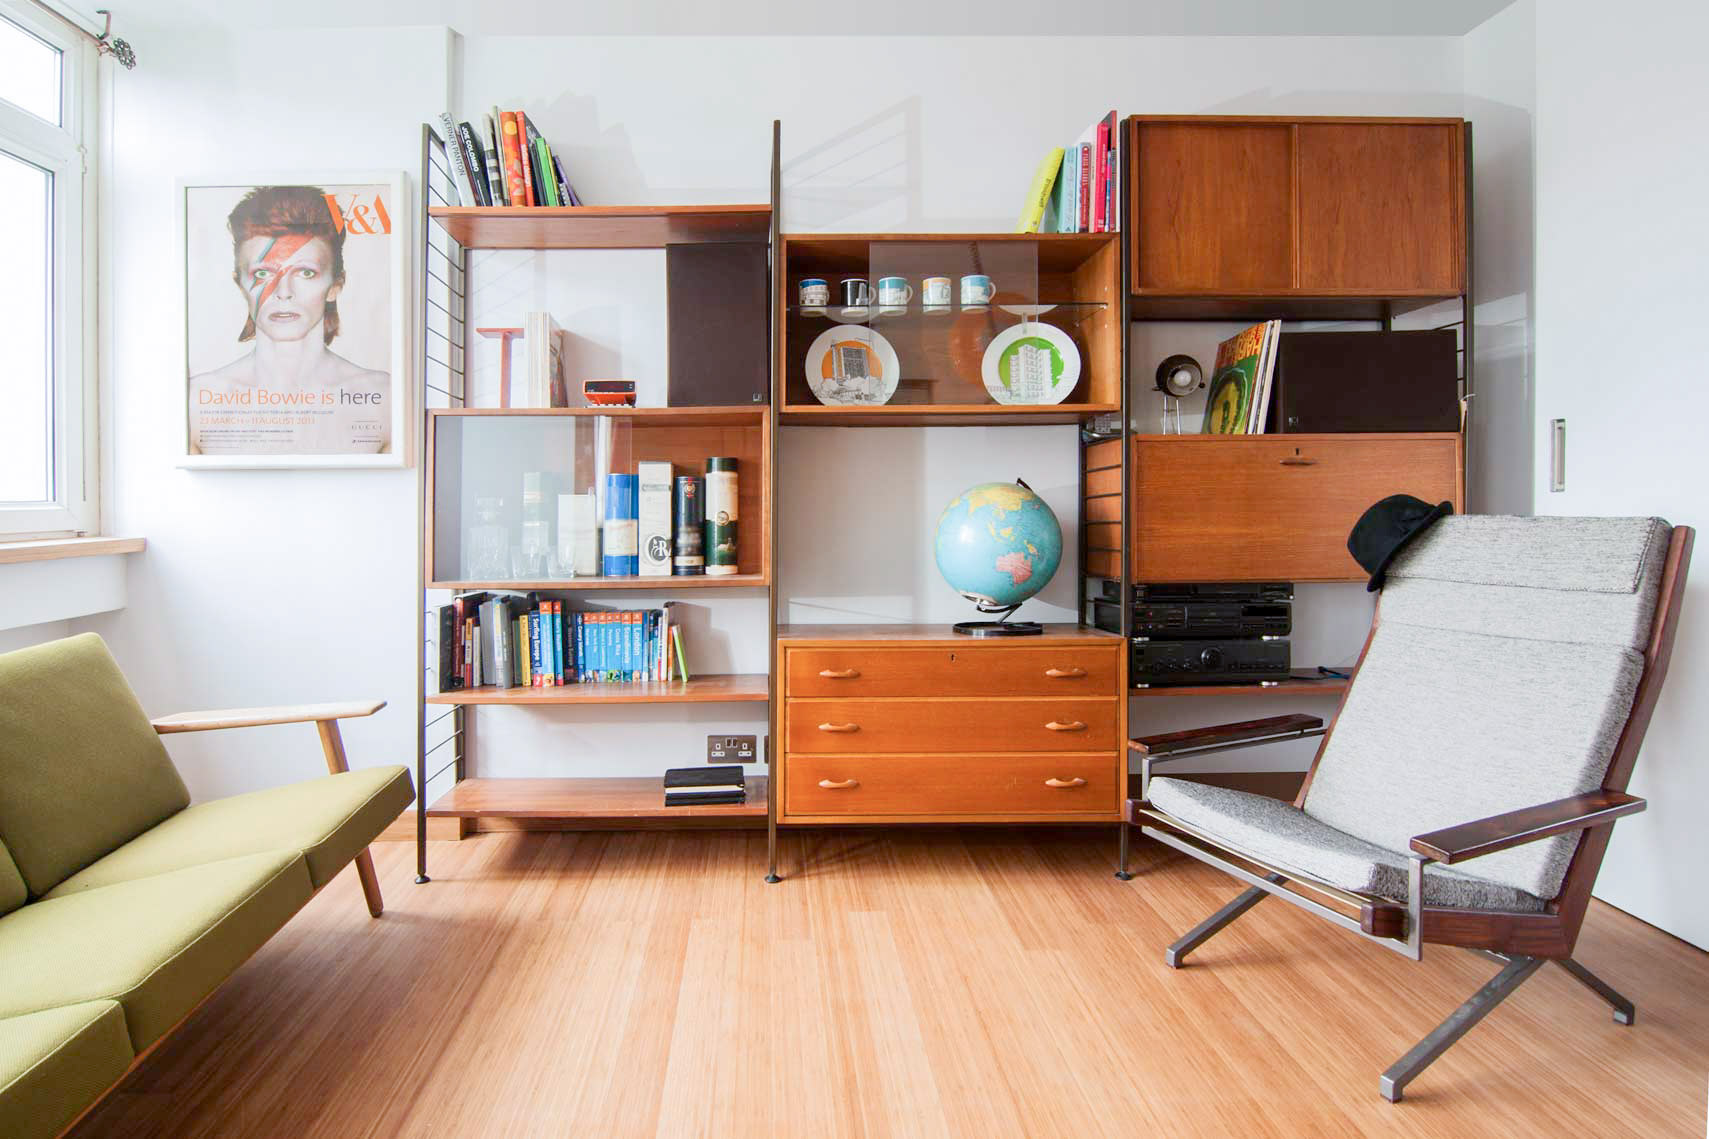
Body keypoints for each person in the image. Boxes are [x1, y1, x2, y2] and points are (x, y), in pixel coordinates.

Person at [189, 185, 390, 455]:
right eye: (263, 274)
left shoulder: (383, 398)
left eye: (305, 273)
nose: (283, 293)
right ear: (241, 285)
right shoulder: (197, 401)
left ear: (335, 285)